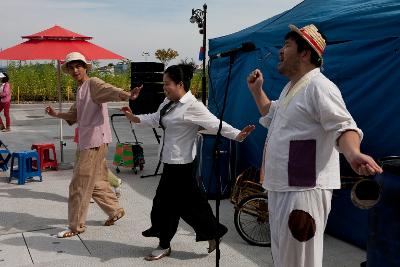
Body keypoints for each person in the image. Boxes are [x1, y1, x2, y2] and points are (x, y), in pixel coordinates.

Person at [247, 24, 383, 267]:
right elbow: (271, 113)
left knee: (300, 261)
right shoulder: (291, 88)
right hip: (282, 187)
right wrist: (257, 91)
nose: (280, 51)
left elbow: (343, 125)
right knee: (284, 259)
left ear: (305, 53)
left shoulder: (320, 86)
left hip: (303, 190)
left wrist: (353, 152)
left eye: (287, 45)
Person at [121, 64, 255, 261]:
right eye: (164, 83)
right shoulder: (168, 102)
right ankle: (211, 232)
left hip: (182, 164)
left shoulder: (193, 106)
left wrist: (237, 135)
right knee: (187, 204)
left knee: (166, 205)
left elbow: (215, 123)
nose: (164, 87)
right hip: (170, 161)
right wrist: (135, 118)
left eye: (167, 84)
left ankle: (165, 242)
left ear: (180, 84)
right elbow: (155, 118)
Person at [45, 52, 138, 238]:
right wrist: (57, 115)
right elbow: (74, 114)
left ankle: (75, 226)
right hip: (91, 141)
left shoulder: (93, 83)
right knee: (95, 182)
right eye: (71, 67)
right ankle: (115, 210)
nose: (75, 70)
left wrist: (128, 95)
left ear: (85, 67)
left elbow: (108, 89)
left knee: (78, 184)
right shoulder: (81, 89)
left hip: (94, 142)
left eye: (78, 66)